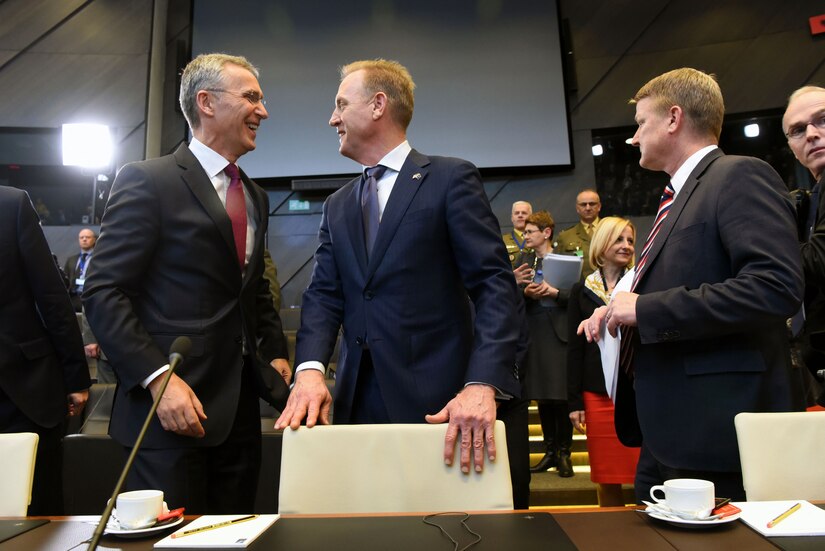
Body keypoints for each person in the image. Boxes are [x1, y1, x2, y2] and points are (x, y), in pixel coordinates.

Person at [275, 59, 522, 478]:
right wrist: (311, 371)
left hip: (442, 402)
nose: (331, 118)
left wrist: (482, 383)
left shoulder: (449, 179)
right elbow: (323, 296)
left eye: (340, 104)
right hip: (357, 403)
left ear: (377, 105)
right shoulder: (337, 205)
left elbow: (494, 286)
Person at [579, 68, 803, 502]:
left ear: (673, 118)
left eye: (641, 123)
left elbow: (775, 287)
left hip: (717, 434)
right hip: (668, 432)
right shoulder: (677, 198)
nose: (633, 137)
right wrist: (616, 309)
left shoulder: (739, 175)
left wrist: (643, 310)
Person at [83, 53, 291, 513]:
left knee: (234, 537)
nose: (264, 110)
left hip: (239, 419)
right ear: (207, 102)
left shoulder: (254, 194)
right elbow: (103, 291)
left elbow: (252, 290)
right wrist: (160, 380)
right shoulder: (147, 181)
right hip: (169, 416)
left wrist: (276, 350)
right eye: (252, 97)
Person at [0, 186, 90, 515]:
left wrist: (75, 377)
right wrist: (75, 380)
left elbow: (51, 297)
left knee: (40, 508)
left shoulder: (10, 205)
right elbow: (51, 297)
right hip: (24, 387)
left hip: (23, 396)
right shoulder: (10, 204)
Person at [567, 217, 640, 506]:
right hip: (596, 394)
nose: (626, 246)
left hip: (634, 390)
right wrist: (574, 403)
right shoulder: (580, 289)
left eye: (630, 240)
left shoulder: (640, 283)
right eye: (619, 239)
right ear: (602, 243)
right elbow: (574, 350)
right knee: (606, 474)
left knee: (642, 471)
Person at [514, 211, 573, 477]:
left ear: (546, 232)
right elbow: (507, 292)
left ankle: (564, 453)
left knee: (561, 396)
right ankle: (549, 452)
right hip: (534, 331)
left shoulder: (567, 257)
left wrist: (556, 293)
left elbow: (579, 294)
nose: (525, 237)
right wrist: (524, 292)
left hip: (559, 331)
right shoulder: (522, 260)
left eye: (530, 232)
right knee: (543, 396)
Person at [784, 85, 825, 402]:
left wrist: (761, 242)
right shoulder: (813, 196)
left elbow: (818, 261)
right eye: (798, 130)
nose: (811, 134)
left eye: (822, 120)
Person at [555, 190, 601, 279]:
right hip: (578, 288)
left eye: (592, 204)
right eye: (583, 204)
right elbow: (560, 269)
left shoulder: (611, 231)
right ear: (577, 208)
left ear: (599, 206)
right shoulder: (565, 236)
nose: (588, 208)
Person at [63, 228, 97, 312]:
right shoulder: (71, 260)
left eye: (87, 237)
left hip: (91, 297)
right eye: (81, 237)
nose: (84, 239)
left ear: (94, 239)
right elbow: (64, 279)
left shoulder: (98, 259)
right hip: (73, 297)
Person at [503, 201, 533, 267]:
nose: (520, 215)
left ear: (531, 217)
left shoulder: (539, 239)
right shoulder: (502, 240)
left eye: (524, 213)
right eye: (516, 213)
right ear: (512, 218)